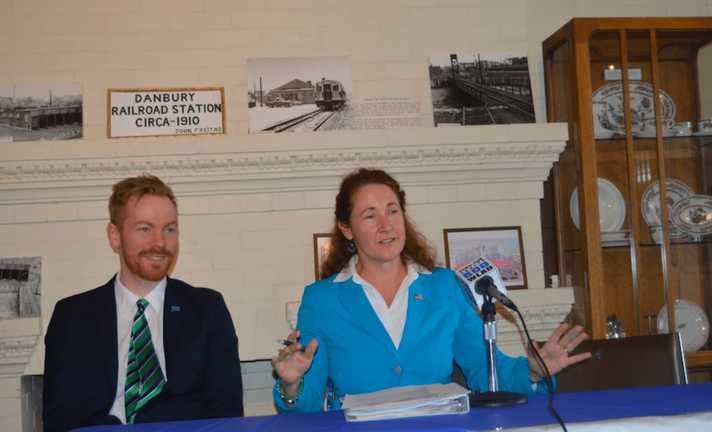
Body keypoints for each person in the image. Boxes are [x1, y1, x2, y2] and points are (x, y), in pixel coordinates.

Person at [272, 168, 590, 412]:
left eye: (392, 210)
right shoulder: (322, 299)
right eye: (370, 215)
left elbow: (485, 370)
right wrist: (291, 384)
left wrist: (534, 369)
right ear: (346, 229)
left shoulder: (445, 287)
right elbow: (307, 406)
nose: (386, 225)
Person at [43, 175, 244, 432]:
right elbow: (59, 418)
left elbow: (227, 412)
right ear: (115, 236)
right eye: (145, 228)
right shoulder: (72, 316)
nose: (159, 243)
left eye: (169, 229)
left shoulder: (207, 309)